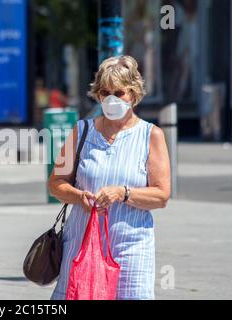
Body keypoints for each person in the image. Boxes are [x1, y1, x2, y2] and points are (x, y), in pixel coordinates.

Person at [48, 55, 171, 300]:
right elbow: (55, 183)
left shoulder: (151, 135)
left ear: (134, 94)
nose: (112, 99)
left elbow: (161, 195)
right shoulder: (81, 131)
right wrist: (77, 195)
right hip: (81, 245)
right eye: (105, 92)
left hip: (130, 248)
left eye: (119, 92)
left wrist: (123, 193)